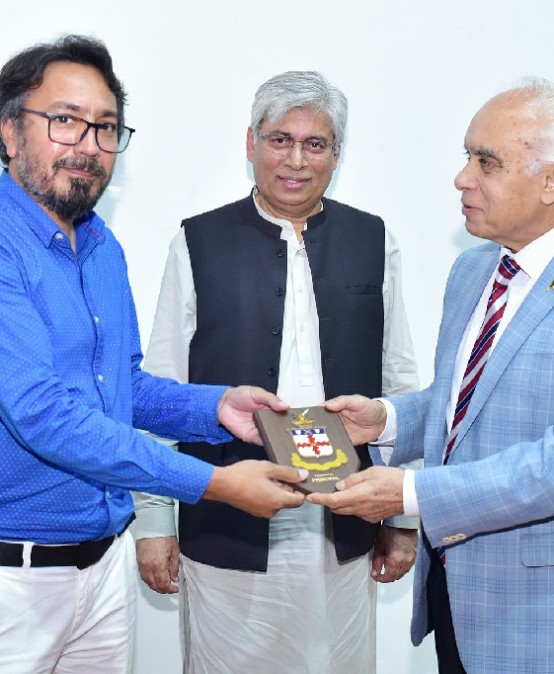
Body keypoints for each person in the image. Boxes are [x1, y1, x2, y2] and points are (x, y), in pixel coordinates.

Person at [0, 35, 308, 674]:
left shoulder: (101, 247)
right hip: (14, 582)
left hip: (104, 571)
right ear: (9, 130)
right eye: (65, 120)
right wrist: (212, 483)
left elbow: (123, 387)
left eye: (106, 127)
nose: (88, 144)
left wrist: (215, 408)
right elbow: (42, 415)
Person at [134, 71, 420, 674]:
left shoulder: (374, 239)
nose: (296, 160)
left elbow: (398, 385)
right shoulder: (198, 240)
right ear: (251, 143)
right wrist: (154, 521)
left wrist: (401, 513)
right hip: (226, 513)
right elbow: (161, 388)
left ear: (337, 154)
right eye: (279, 140)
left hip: (346, 519)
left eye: (315, 144)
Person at [309, 78, 554, 674]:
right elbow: (465, 406)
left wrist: (412, 494)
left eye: (486, 162)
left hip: (535, 614)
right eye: (466, 156)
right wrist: (387, 421)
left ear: (550, 182)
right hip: (454, 596)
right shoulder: (473, 271)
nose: (461, 178)